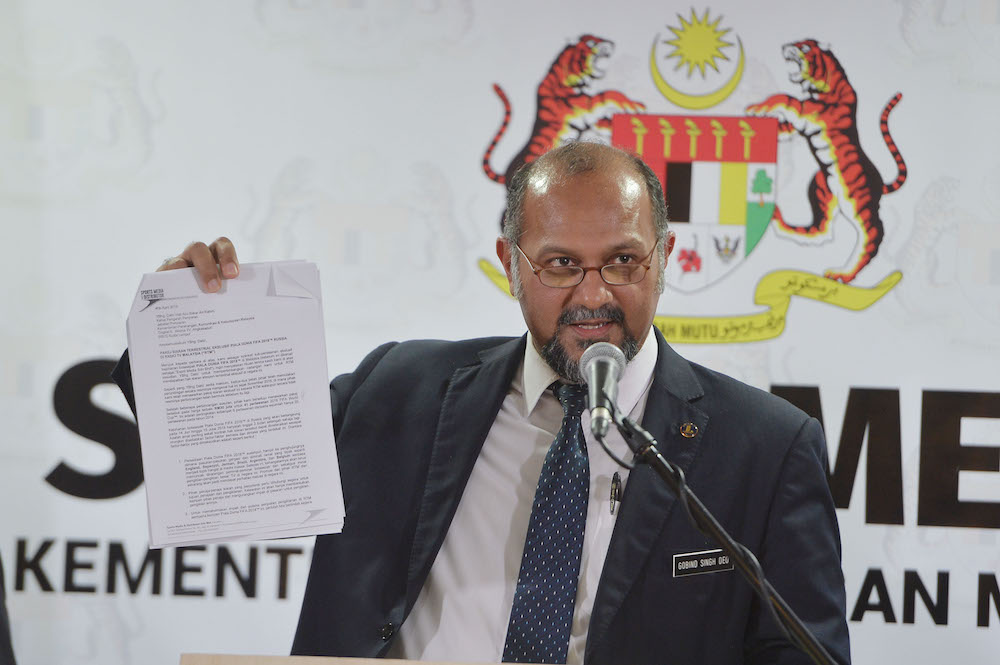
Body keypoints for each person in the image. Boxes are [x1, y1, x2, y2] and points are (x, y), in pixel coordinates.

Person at [123, 141, 850, 664]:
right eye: (562, 264)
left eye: (624, 261)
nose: (594, 295)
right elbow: (229, 448)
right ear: (511, 264)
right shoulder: (398, 390)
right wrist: (183, 329)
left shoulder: (766, 447)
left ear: (663, 257)